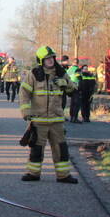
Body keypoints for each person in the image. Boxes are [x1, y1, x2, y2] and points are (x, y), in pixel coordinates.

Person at [19, 46, 78, 183]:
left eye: (51, 57)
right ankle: (33, 173)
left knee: (61, 149)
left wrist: (66, 83)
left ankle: (63, 175)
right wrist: (26, 112)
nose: (50, 60)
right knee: (36, 149)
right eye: (47, 58)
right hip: (39, 120)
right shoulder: (33, 74)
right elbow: (24, 93)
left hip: (56, 120)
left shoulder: (61, 73)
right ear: (41, 60)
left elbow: (73, 89)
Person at [67, 58, 84, 122]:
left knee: (72, 103)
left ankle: (71, 117)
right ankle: (75, 118)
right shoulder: (77, 69)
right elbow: (79, 77)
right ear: (78, 63)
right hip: (76, 87)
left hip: (70, 87)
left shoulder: (69, 69)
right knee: (77, 103)